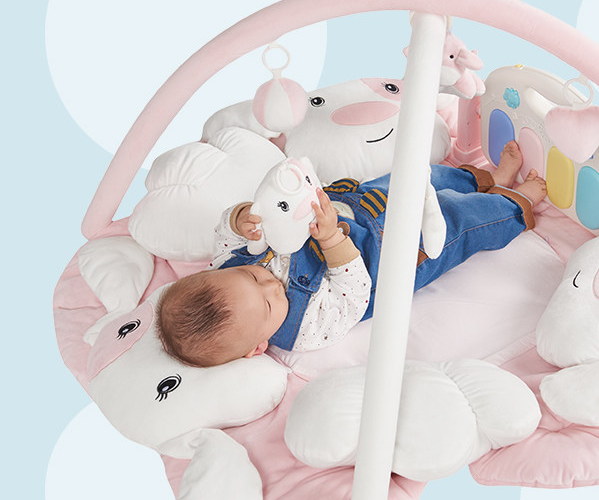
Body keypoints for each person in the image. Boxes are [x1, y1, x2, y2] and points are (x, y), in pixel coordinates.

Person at [156, 142, 546, 366]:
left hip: (353, 206)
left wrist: (241, 218)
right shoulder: (302, 330)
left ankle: (484, 178)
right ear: (257, 347)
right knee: (458, 224)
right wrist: (330, 241)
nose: (272, 285)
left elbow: (225, 232)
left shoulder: (228, 262)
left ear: (215, 271)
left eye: (253, 277)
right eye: (270, 305)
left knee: (418, 177)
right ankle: (513, 204)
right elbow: (352, 292)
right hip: (388, 254)